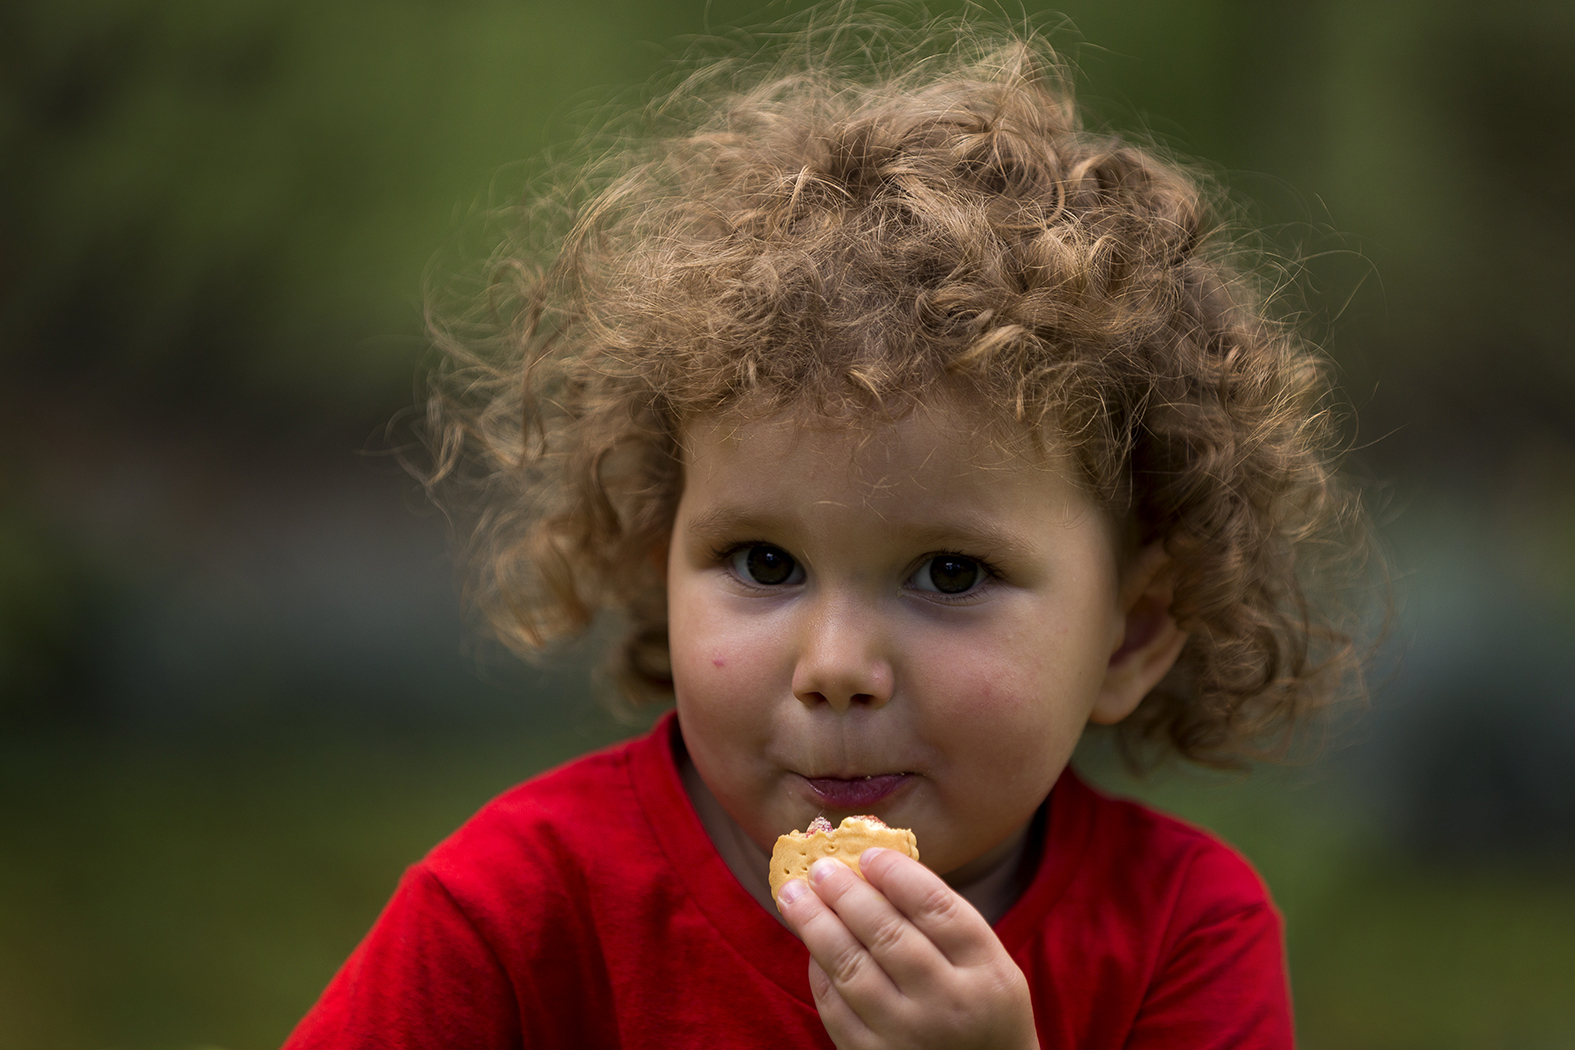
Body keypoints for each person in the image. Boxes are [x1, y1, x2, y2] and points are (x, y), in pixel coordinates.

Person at [284, 16, 1374, 1049]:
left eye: (950, 573)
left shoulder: (1184, 933)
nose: (836, 669)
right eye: (765, 563)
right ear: (659, 553)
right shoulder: (516, 911)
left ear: (1131, 635)